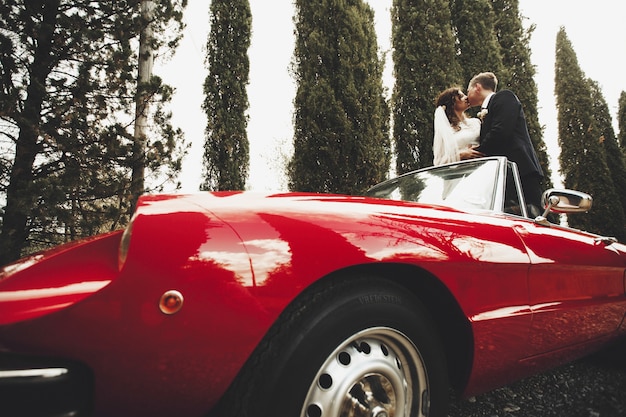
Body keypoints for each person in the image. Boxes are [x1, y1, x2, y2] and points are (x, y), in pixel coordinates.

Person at [466, 72, 544, 216]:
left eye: (468, 90)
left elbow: (501, 131)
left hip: (520, 170)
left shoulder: (505, 97)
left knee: (534, 215)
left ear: (477, 87)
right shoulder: (485, 111)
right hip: (500, 177)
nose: (467, 95)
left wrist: (477, 152)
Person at [433, 87, 484, 166]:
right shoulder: (446, 130)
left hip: (483, 166)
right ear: (452, 103)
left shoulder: (475, 122)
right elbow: (439, 162)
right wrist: (460, 155)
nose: (466, 98)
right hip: (461, 172)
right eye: (461, 96)